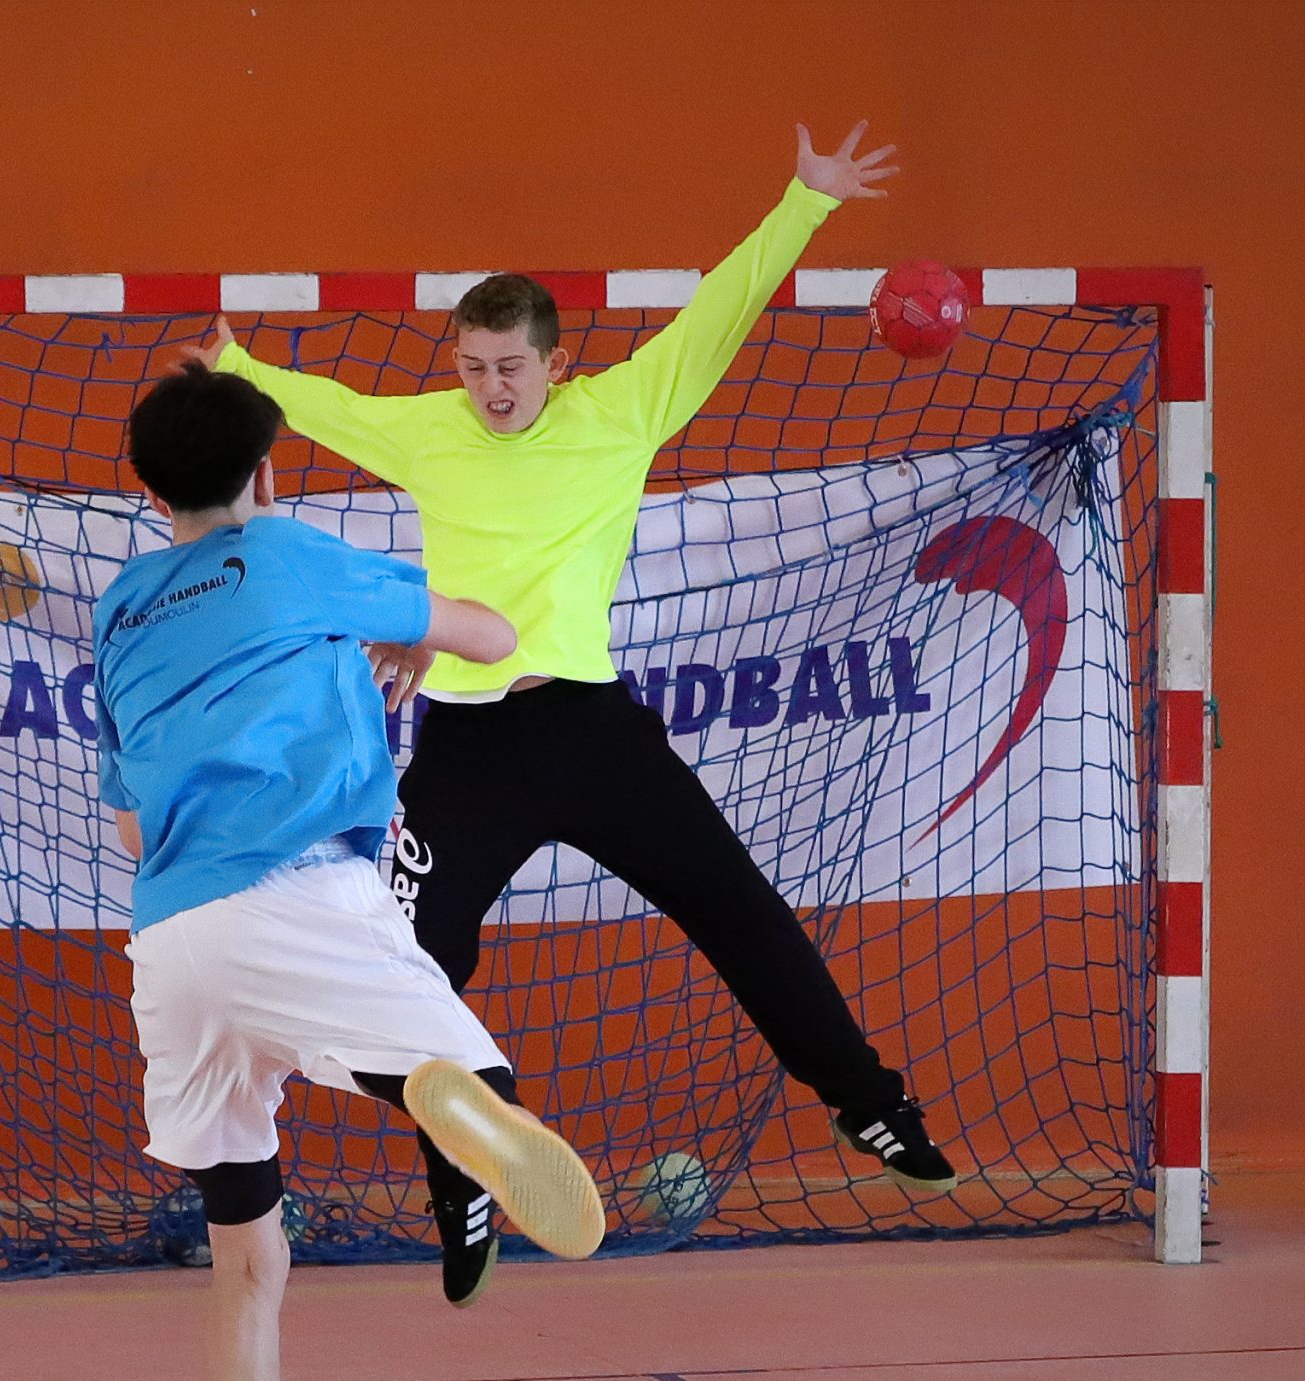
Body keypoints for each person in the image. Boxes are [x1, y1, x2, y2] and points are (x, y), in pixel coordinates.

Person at [185, 122, 956, 1301]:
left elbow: (720, 313)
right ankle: (467, 1177)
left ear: (554, 362)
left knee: (739, 911)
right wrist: (233, 365)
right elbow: (315, 402)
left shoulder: (620, 413)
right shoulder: (427, 429)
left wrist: (804, 201)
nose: (490, 389)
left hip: (592, 732)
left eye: (509, 367)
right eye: (472, 368)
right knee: (412, 970)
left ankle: (867, 1102)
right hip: (467, 746)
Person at [96, 364, 606, 1381]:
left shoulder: (119, 610)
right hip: (302, 892)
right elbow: (490, 634)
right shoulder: (289, 555)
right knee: (470, 1078)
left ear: (147, 491)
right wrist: (414, 639)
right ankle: (436, 1107)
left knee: (246, 1263)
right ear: (266, 473)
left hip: (172, 942)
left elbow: (128, 823)